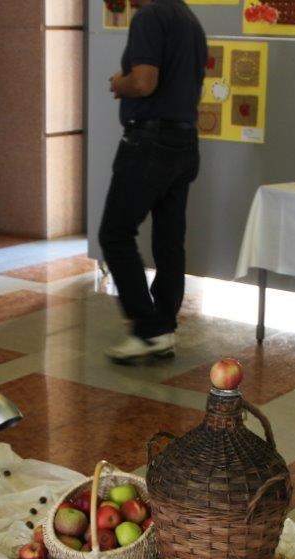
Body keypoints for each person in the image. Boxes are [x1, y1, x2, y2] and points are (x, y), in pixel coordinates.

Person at [98, 0, 208, 364]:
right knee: (168, 239)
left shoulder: (149, 17)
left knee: (115, 233)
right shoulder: (188, 20)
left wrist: (120, 83)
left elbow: (144, 83)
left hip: (149, 142)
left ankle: (148, 328)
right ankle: (164, 327)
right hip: (184, 140)